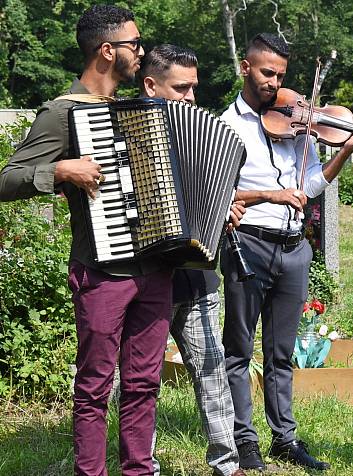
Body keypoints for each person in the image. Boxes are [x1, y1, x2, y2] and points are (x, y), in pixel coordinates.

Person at [0, 5, 172, 474]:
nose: (142, 52)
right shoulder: (62, 113)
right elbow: (6, 179)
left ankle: (138, 469)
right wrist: (58, 170)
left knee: (144, 383)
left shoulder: (136, 111)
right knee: (95, 385)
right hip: (102, 272)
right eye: (135, 44)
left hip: (155, 269)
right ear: (107, 50)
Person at [219, 32, 353, 471]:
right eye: (268, 73)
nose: (275, 84)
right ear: (245, 68)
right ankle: (243, 439)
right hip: (247, 244)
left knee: (281, 352)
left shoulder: (296, 127)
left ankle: (284, 439)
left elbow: (307, 189)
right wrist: (271, 194)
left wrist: (345, 150)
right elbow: (218, 193)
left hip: (293, 248)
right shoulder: (224, 127)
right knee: (238, 348)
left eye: (282, 75)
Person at [138, 44, 246, 476]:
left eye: (193, 89)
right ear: (150, 84)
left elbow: (216, 192)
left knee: (212, 370)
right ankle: (142, 462)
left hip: (197, 275)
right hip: (145, 277)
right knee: (141, 380)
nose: (189, 98)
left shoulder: (203, 131)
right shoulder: (125, 130)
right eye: (180, 88)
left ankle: (226, 462)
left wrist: (224, 212)